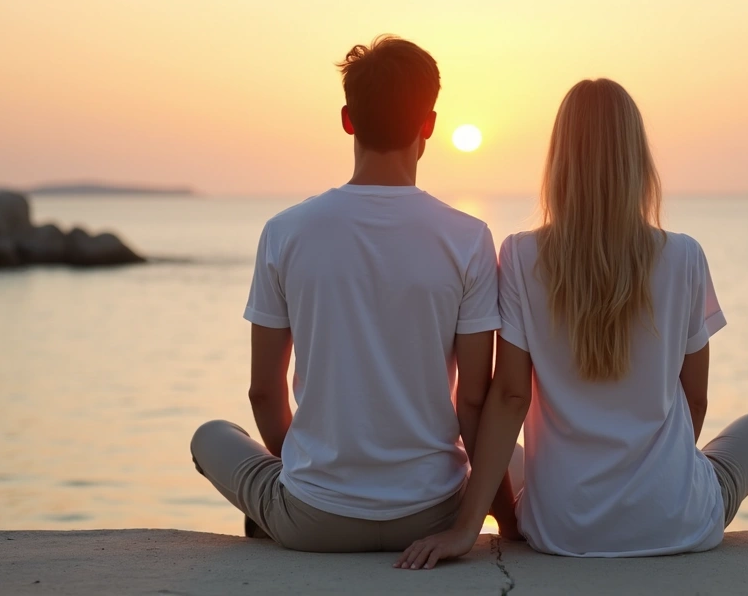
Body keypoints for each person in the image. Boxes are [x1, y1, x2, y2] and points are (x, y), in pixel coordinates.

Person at [396, 78, 748, 568]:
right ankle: (666, 489)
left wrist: (467, 528)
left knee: (514, 457)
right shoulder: (684, 256)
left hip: (560, 526)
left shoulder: (520, 255)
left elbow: (511, 396)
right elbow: (696, 399)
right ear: (637, 159)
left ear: (560, 160)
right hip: (674, 517)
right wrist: (656, 483)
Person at [190, 35, 518, 552]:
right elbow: (474, 399)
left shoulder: (286, 232)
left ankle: (277, 514)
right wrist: (503, 520)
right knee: (518, 455)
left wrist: (312, 475)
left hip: (315, 521)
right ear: (429, 124)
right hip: (433, 513)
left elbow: (264, 392)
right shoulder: (468, 237)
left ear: (348, 119)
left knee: (211, 435)